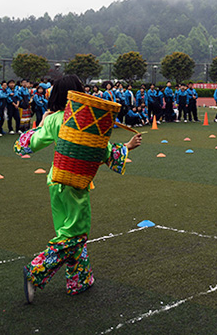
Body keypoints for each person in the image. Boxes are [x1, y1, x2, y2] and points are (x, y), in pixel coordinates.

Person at [14, 75, 142, 303]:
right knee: (76, 233)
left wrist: (41, 124)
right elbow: (100, 150)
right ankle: (35, 271)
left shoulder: (53, 119)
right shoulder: (81, 119)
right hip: (75, 183)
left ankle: (79, 279)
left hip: (55, 180)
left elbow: (30, 144)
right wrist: (127, 147)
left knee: (66, 232)